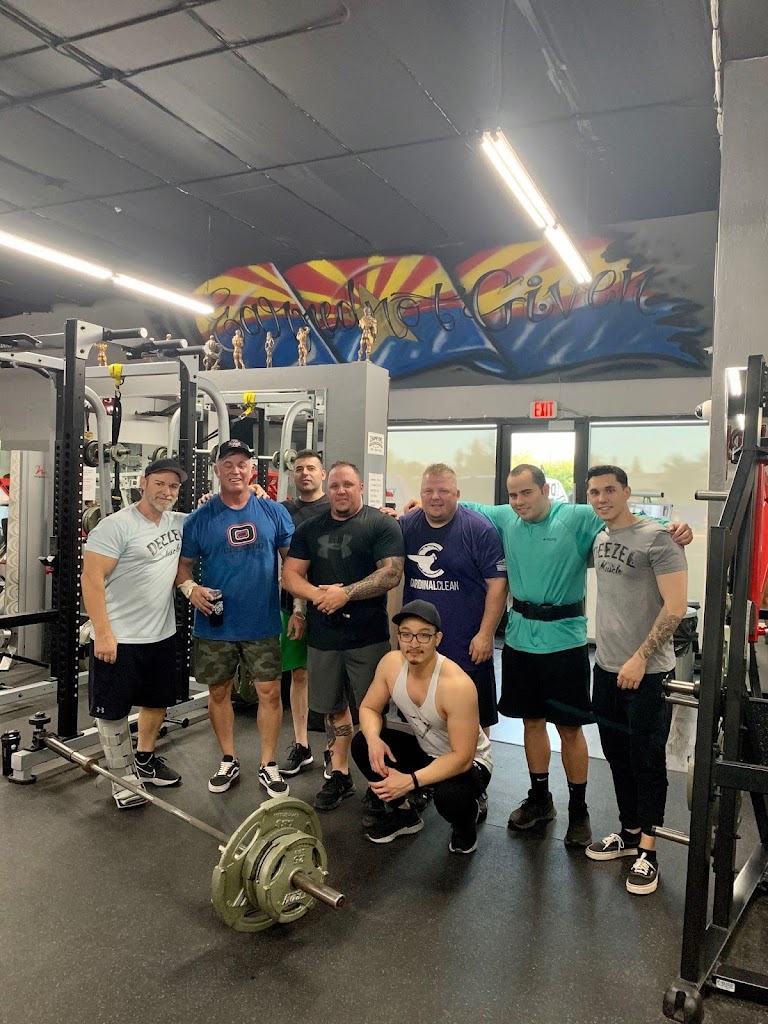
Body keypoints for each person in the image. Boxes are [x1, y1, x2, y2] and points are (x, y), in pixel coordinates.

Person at [462, 464, 691, 849]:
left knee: (569, 728)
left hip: (565, 642)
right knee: (531, 722)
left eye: (526, 493)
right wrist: (414, 507)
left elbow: (628, 518)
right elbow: (464, 506)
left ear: (545, 491)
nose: (519, 501)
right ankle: (540, 799)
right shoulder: (504, 516)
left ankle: (579, 810)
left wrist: (675, 527)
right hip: (520, 638)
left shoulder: (577, 516)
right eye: (513, 494)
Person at [584, 465, 687, 895]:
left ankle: (649, 850)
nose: (601, 498)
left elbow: (676, 606)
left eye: (610, 490)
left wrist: (641, 658)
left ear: (627, 492)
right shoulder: (599, 537)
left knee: (647, 761)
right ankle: (628, 833)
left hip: (648, 671)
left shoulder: (659, 539)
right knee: (616, 755)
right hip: (606, 667)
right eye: (594, 492)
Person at [281, 461, 405, 811]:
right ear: (328, 488)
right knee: (333, 709)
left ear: (360, 487)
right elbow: (290, 575)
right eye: (335, 485)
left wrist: (345, 594)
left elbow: (391, 574)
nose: (340, 491)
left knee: (372, 709)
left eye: (348, 484)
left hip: (368, 636)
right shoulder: (310, 529)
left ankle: (379, 779)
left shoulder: (380, 524)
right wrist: (319, 596)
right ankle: (339, 774)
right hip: (324, 637)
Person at [176, 438, 294, 797]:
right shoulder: (199, 519)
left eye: (242, 464)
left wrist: (300, 608)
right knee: (218, 691)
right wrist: (190, 589)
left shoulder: (273, 512)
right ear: (216, 470)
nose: (236, 470)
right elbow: (182, 567)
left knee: (269, 693)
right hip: (216, 622)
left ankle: (268, 763)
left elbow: (293, 565)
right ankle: (228, 758)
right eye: (228, 464)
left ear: (252, 470)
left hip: (262, 622)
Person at [82, 458, 186, 809]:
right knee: (112, 710)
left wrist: (254, 493)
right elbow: (91, 580)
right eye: (160, 483)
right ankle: (122, 777)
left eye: (173, 486)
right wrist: (103, 633)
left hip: (161, 634)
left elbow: (216, 515)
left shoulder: (178, 522)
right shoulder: (116, 526)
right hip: (120, 636)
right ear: (143, 483)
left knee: (156, 702)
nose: (166, 491)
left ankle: (144, 760)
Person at [351, 600, 492, 853]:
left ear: (437, 639)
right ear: (399, 637)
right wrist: (373, 739)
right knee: (362, 743)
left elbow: (462, 758)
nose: (413, 643)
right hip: (427, 752)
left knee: (449, 797)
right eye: (406, 634)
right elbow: (369, 708)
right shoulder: (391, 664)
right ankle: (405, 815)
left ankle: (465, 824)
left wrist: (409, 781)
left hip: (470, 763)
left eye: (423, 635)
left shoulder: (457, 685)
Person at [399, 463, 508, 737]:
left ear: (457, 494)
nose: (435, 497)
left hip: (467, 645)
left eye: (443, 491)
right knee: (421, 718)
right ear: (420, 494)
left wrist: (486, 635)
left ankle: (476, 763)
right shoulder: (406, 526)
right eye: (428, 491)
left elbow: (498, 585)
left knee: (474, 720)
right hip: (420, 645)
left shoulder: (479, 529)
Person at [253, 449, 331, 777]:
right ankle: (302, 745)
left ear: (322, 474)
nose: (305, 473)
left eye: (311, 468)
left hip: (328, 603)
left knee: (331, 677)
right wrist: (254, 494)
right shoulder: (283, 510)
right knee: (299, 674)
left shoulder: (336, 507)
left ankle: (333, 749)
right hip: (291, 605)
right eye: (299, 469)